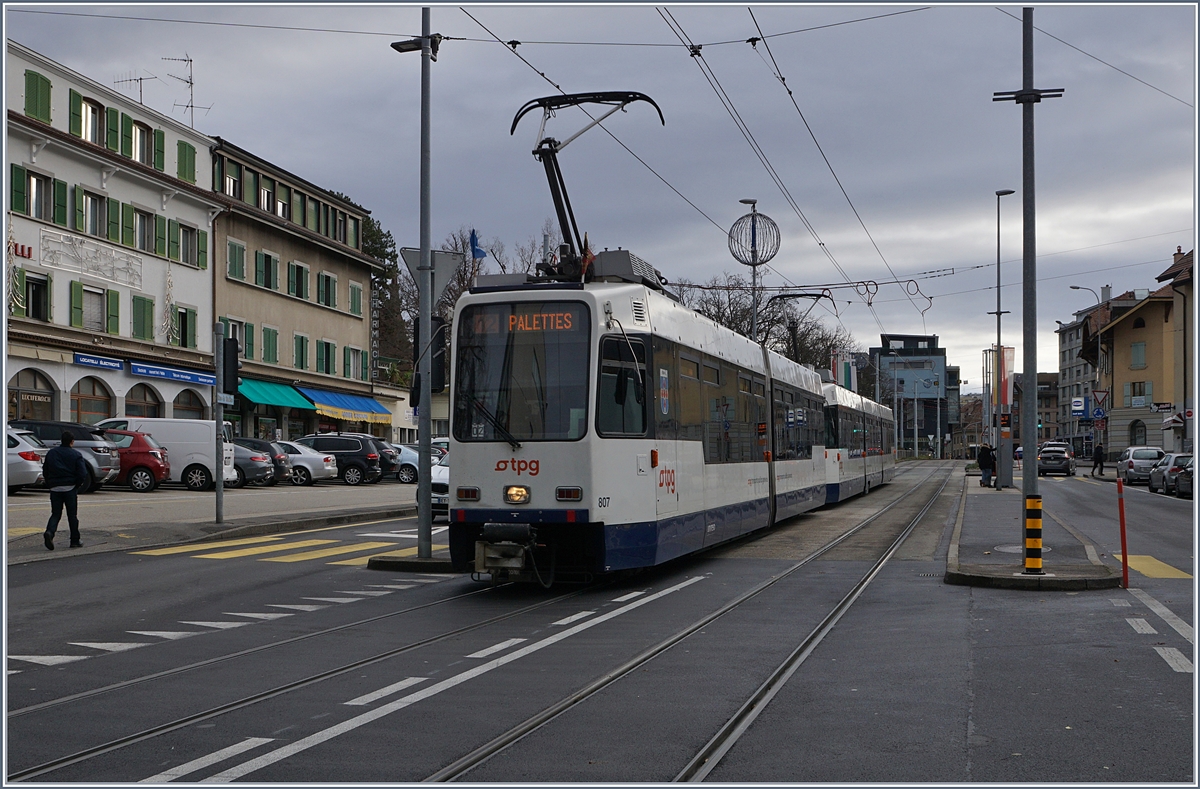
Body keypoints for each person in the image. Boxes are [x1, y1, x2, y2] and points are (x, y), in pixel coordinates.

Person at [42, 431, 88, 550]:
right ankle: (74, 540)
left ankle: (50, 532)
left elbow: (45, 470)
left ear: (61, 440)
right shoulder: (76, 455)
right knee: (72, 515)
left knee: (56, 513)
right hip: (70, 487)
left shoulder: (52, 453)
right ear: (72, 442)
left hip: (55, 487)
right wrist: (76, 484)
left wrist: (50, 483)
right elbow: (82, 473)